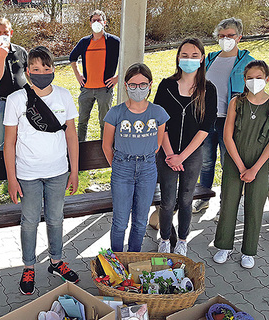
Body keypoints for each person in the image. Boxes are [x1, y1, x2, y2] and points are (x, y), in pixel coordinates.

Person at [3, 46, 80, 295]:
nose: (41, 72)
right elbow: (9, 142)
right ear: (27, 71)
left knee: (56, 218)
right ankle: (28, 266)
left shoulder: (64, 96)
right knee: (30, 221)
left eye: (46, 68)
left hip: (58, 171)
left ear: (53, 70)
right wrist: (12, 179)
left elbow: (71, 135)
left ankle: (56, 261)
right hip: (27, 174)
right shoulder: (17, 100)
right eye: (35, 69)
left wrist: (74, 170)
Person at [213, 60, 269, 269]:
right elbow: (227, 136)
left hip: (259, 163)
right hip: (236, 160)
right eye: (250, 78)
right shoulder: (237, 102)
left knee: (255, 206)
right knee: (229, 202)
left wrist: (254, 168)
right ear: (244, 80)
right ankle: (224, 245)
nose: (254, 82)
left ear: (267, 79)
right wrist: (241, 167)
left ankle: (249, 250)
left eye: (259, 78)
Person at [154, 38, 217, 256]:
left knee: (186, 198)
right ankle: (164, 238)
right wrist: (171, 154)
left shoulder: (208, 89)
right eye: (184, 55)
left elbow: (205, 127)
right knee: (168, 199)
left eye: (194, 55)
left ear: (201, 59)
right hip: (167, 152)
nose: (189, 59)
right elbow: (159, 121)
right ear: (178, 58)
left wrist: (182, 157)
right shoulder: (166, 85)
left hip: (191, 154)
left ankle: (182, 239)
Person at [102, 63, 169, 252]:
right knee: (120, 221)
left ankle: (133, 257)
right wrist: (118, 166)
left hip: (147, 169)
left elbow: (158, 143)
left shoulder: (158, 113)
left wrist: (144, 159)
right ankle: (116, 260)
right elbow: (107, 146)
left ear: (150, 85)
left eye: (142, 84)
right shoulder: (115, 113)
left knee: (140, 221)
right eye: (133, 85)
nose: (137, 89)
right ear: (125, 85)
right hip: (122, 168)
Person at [193, 17, 255, 214]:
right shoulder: (210, 59)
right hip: (208, 118)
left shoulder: (248, 62)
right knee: (206, 161)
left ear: (239, 37)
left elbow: (254, 93)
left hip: (231, 122)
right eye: (221, 36)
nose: (225, 39)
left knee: (228, 163)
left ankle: (225, 205)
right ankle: (203, 198)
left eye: (230, 35)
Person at [69, 9, 120, 142]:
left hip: (105, 89)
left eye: (99, 20)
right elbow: (72, 58)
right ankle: (81, 147)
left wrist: (118, 78)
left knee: (104, 122)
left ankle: (104, 148)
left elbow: (128, 57)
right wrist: (78, 75)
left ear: (104, 22)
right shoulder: (84, 42)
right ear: (90, 23)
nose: (96, 22)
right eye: (94, 20)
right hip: (86, 89)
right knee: (82, 122)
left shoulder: (114, 42)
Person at [0, 18, 28, 150]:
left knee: (23, 138)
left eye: (6, 32)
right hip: (2, 103)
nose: (3, 35)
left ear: (11, 33)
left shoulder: (21, 51)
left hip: (22, 102)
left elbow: (28, 74)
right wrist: (2, 56)